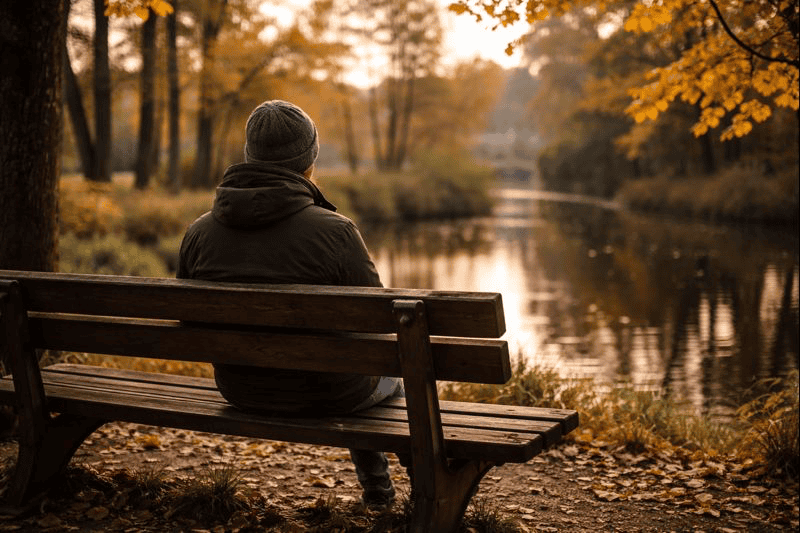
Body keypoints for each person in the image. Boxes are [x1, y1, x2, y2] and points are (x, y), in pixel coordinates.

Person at [177, 100, 400, 509]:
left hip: (240, 388)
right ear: (310, 160)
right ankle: (383, 493)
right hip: (330, 392)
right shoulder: (337, 232)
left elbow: (188, 323)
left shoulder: (198, 232)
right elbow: (380, 322)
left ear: (248, 156)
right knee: (393, 380)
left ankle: (381, 493)